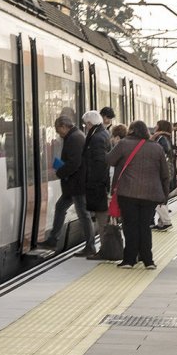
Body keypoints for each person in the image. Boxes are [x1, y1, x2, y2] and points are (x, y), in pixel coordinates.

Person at [107, 120, 171, 270]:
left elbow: (109, 160)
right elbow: (165, 173)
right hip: (150, 194)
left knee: (130, 227)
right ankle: (148, 260)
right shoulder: (156, 148)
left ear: (131, 131)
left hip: (128, 193)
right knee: (145, 226)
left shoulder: (124, 144)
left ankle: (129, 260)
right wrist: (165, 195)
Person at [44, 112, 86, 252]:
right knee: (62, 207)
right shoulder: (75, 136)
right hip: (73, 184)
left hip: (76, 184)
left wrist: (59, 172)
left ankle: (90, 245)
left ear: (64, 126)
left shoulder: (75, 138)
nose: (58, 134)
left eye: (58, 130)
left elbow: (74, 163)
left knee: (82, 215)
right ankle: (52, 239)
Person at [81, 110, 111, 259]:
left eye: (85, 124)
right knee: (102, 219)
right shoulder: (102, 133)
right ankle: (104, 249)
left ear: (89, 123)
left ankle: (105, 250)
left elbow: (99, 163)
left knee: (102, 220)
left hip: (98, 185)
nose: (85, 127)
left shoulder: (97, 138)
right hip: (100, 184)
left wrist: (93, 184)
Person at [151, 119, 176, 231]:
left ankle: (166, 222)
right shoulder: (165, 138)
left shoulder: (162, 139)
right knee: (161, 197)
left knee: (158, 197)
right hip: (165, 171)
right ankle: (162, 223)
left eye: (157, 125)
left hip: (162, 172)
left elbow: (161, 155)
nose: (155, 127)